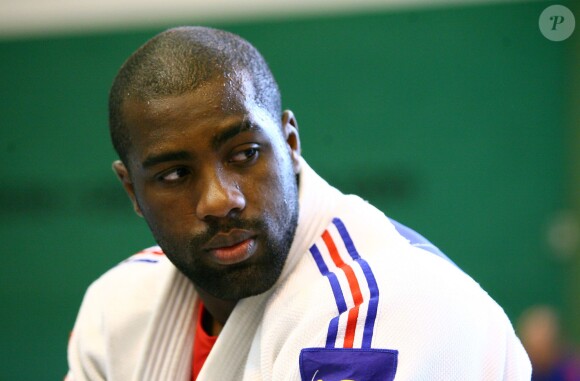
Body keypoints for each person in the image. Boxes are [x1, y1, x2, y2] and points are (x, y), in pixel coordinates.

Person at [66, 26, 531, 380]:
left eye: (245, 154)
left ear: (290, 144)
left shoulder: (386, 303)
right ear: (133, 192)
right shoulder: (116, 308)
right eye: (174, 175)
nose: (219, 200)